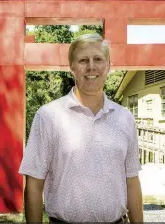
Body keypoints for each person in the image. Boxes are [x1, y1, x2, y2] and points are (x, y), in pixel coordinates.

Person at [19, 33, 144, 223]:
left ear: (108, 65)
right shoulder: (48, 116)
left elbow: (132, 181)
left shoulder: (125, 118)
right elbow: (34, 184)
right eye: (83, 60)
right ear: (72, 67)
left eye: (98, 59)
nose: (91, 66)